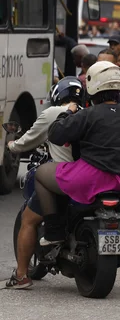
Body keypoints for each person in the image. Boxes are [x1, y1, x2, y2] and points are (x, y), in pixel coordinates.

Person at [36, 62, 120, 245]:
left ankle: (54, 231)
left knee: (41, 173)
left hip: (92, 178)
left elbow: (56, 135)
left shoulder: (87, 114)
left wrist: (67, 113)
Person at [5, 77, 84, 289]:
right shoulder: (89, 113)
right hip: (89, 177)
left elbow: (29, 139)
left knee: (28, 220)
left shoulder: (52, 113)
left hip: (62, 177)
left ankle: (21, 276)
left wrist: (12, 145)